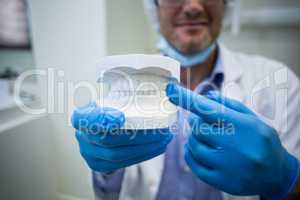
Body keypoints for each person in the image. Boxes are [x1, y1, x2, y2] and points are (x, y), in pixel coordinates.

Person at [71, 0, 300, 199]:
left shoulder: (278, 81)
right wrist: (106, 165)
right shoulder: (122, 82)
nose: (192, 6)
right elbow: (109, 193)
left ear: (226, 3)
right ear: (154, 6)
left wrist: (284, 178)